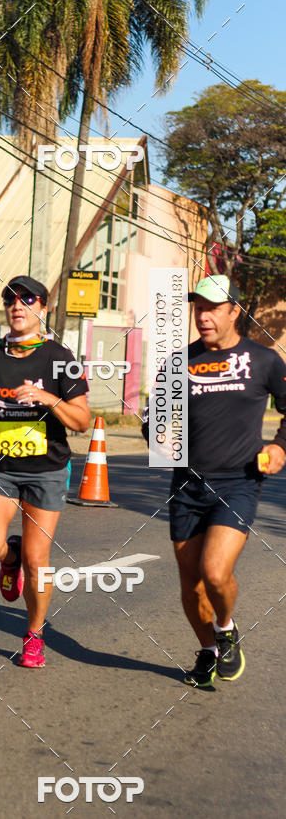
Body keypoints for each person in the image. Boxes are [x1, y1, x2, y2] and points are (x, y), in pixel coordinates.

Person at [143, 274, 286, 687]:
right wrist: (158, 437)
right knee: (191, 583)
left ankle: (225, 627)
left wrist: (279, 447)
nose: (203, 316)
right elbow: (154, 421)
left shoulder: (263, 360)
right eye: (198, 308)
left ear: (233, 312)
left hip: (238, 482)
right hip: (187, 485)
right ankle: (208, 650)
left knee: (215, 572)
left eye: (212, 309)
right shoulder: (179, 362)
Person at [0, 275, 90, 668]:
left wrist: (47, 397)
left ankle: (34, 634)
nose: (17, 305)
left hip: (46, 469)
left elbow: (81, 421)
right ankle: (10, 554)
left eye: (28, 299)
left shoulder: (61, 357)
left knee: (38, 562)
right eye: (10, 299)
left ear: (43, 308)